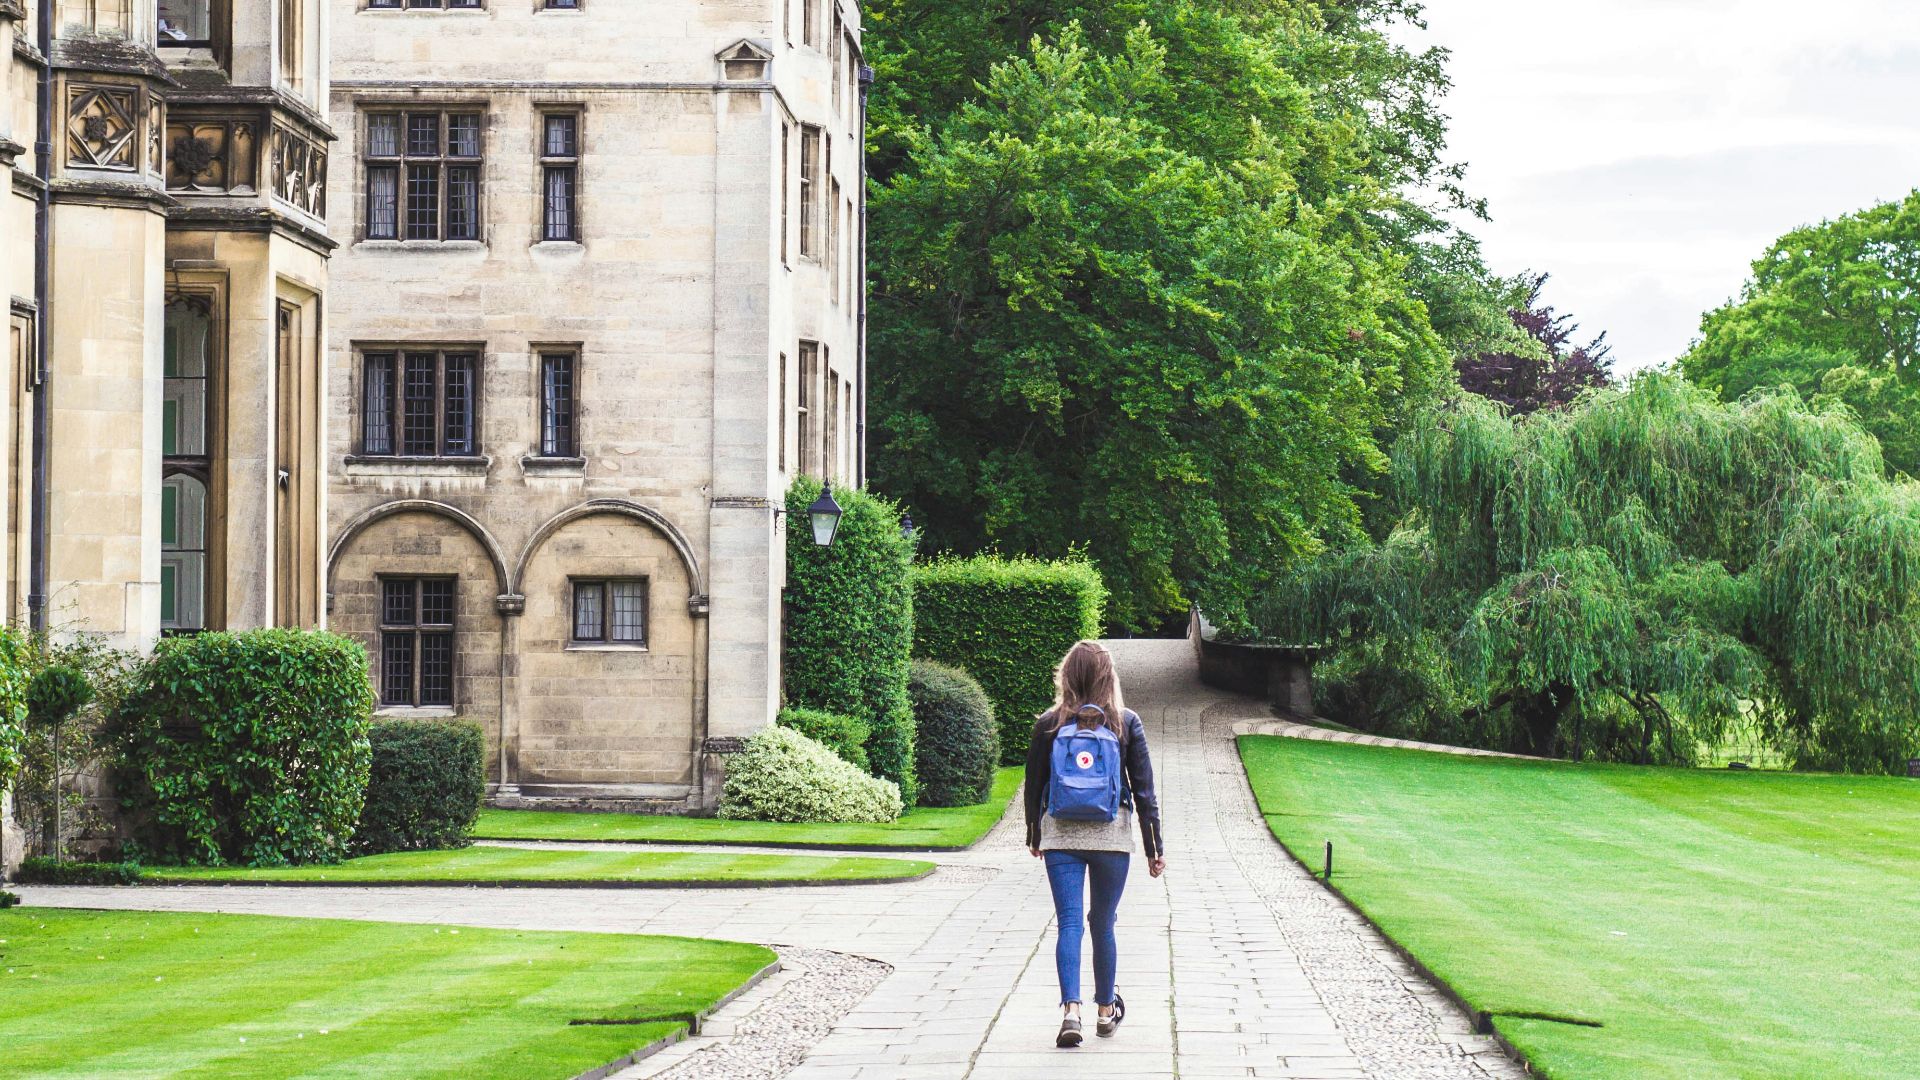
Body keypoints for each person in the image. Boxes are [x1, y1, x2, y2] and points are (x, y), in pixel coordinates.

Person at [1024, 640, 1165, 1048]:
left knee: (1068, 922)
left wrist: (1036, 834)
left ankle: (1072, 1011)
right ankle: (1106, 1011)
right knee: (1102, 923)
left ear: (1066, 675)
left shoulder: (1050, 723)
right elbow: (1144, 791)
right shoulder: (1124, 722)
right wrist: (1154, 848)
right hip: (1112, 837)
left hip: (1061, 835)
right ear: (1108, 676)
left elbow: (1033, 787)